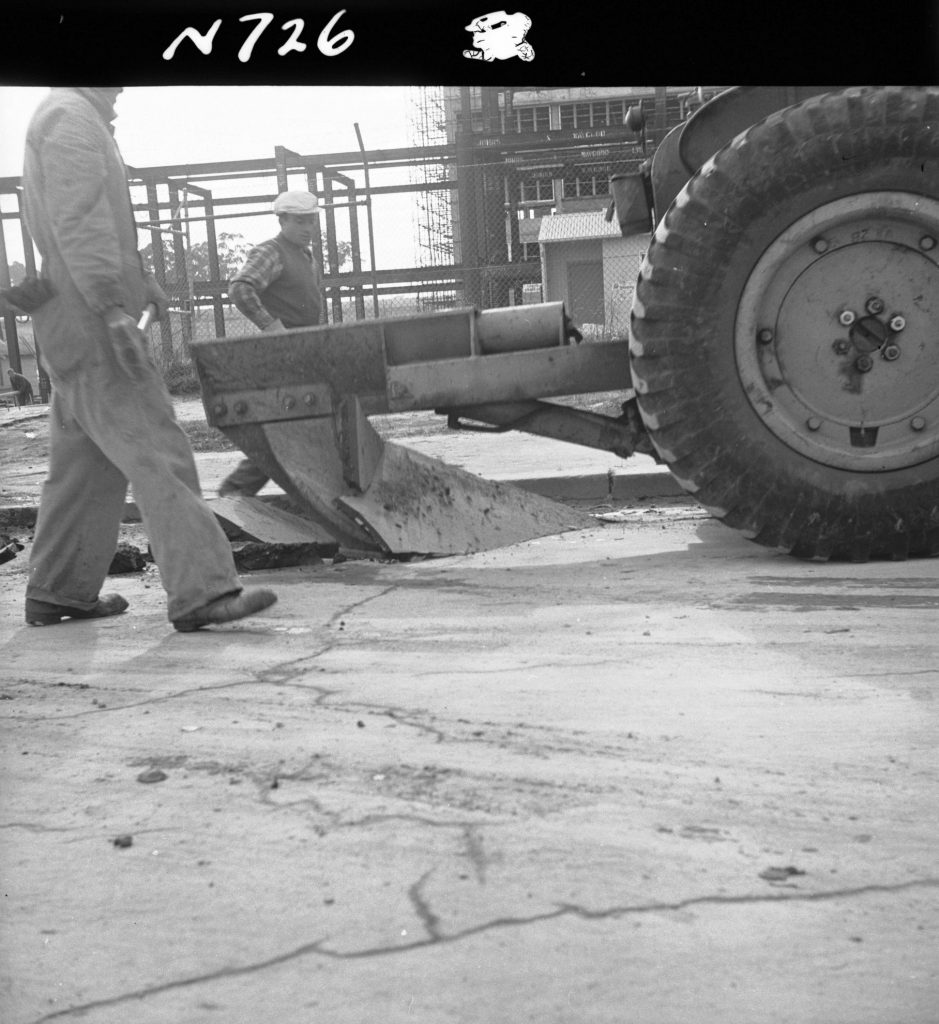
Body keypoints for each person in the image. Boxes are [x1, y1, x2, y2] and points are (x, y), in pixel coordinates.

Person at [20, 87, 276, 631]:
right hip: (91, 320)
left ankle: (57, 590)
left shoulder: (67, 114)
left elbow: (90, 226)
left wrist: (142, 282)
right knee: (158, 450)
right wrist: (113, 307)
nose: (122, 84)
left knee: (84, 468)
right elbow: (80, 220)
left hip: (68, 316)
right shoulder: (73, 119)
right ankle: (201, 592)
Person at [219, 190, 324, 497]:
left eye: (312, 221)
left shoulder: (306, 256)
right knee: (286, 428)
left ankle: (309, 496)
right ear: (283, 220)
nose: (308, 228)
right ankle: (235, 496)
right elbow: (240, 289)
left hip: (302, 352)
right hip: (282, 355)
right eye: (300, 221)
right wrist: (272, 326)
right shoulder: (272, 252)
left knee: (303, 426)